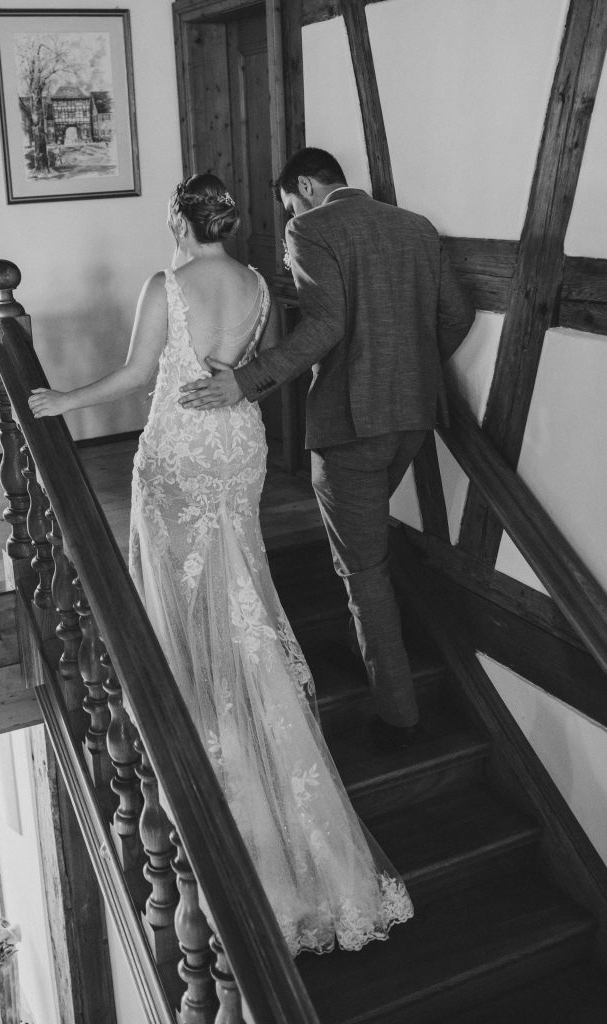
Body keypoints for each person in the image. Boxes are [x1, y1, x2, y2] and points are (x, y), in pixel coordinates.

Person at [28, 173, 414, 956]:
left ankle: (195, 715)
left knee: (183, 581)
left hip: (179, 448)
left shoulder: (166, 283)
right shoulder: (255, 282)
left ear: (179, 219)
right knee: (235, 579)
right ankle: (238, 713)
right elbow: (254, 364)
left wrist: (60, 401)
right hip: (237, 441)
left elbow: (138, 378)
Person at [179, 149, 476, 750]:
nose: (290, 213)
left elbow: (324, 325)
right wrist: (411, 370)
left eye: (290, 202)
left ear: (306, 187)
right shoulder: (415, 226)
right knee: (361, 547)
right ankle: (361, 640)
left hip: (351, 427)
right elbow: (458, 313)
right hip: (413, 418)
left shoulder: (310, 228)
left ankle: (399, 717)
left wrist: (246, 380)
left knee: (364, 569)